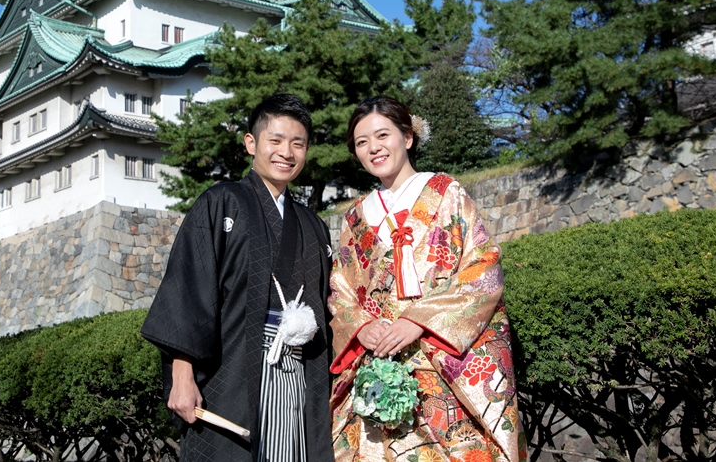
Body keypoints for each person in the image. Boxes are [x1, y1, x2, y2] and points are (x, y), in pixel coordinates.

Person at [328, 96, 525, 462]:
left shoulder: (446, 193)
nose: (373, 148)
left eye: (382, 135)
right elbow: (340, 288)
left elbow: (481, 266)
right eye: (361, 142)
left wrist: (418, 321)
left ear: (408, 137)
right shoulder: (354, 216)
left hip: (439, 359)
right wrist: (361, 328)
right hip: (380, 358)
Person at [141, 94, 334, 462]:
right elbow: (189, 291)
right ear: (251, 143)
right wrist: (182, 376)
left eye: (298, 143)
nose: (286, 153)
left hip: (297, 373)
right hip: (233, 372)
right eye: (275, 140)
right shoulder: (221, 202)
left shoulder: (313, 226)